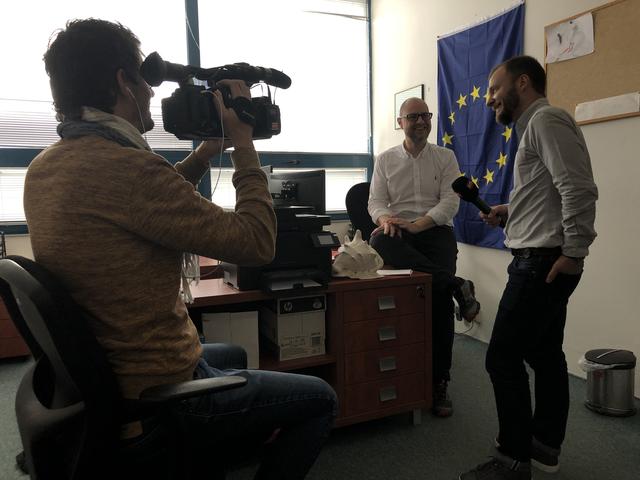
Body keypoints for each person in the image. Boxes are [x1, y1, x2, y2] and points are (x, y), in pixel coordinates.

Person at [24, 19, 337, 479]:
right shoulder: (132, 172)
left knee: (231, 354)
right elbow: (257, 241)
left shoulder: (44, 168)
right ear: (122, 83)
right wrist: (242, 145)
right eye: (144, 82)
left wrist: (208, 150)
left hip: (102, 379)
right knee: (320, 399)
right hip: (154, 392)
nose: (152, 94)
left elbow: (141, 203)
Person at [460, 56, 598, 480]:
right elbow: (549, 193)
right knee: (544, 354)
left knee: (501, 358)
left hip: (543, 263)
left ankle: (512, 459)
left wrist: (574, 253)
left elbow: (577, 187)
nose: (489, 99)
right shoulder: (534, 129)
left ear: (522, 83)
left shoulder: (546, 121)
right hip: (543, 257)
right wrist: (508, 210)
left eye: (494, 88)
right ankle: (544, 446)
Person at [368, 97, 481, 417]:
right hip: (397, 234)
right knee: (381, 243)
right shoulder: (385, 159)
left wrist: (418, 224)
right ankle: (457, 284)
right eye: (413, 116)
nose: (421, 122)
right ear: (400, 122)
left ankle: (439, 381)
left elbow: (450, 203)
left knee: (439, 303)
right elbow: (375, 202)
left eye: (426, 116)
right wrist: (386, 220)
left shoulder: (445, 157)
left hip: (434, 232)